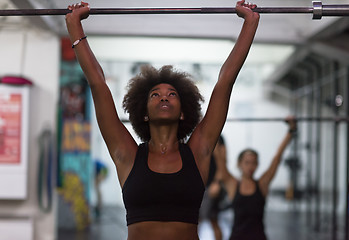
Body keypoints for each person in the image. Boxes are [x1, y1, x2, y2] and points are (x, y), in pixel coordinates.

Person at [65, 1, 259, 239]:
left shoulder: (198, 152)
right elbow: (97, 83)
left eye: (172, 94)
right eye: (155, 94)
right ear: (144, 112)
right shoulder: (128, 155)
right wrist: (75, 26)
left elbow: (225, 81)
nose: (164, 97)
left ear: (183, 112)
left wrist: (250, 23)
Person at [213, 117, 297, 240]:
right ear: (239, 164)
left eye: (254, 163)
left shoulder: (262, 183)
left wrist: (291, 130)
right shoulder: (232, 184)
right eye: (247, 162)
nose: (250, 166)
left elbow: (277, 158)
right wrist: (212, 123)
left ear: (257, 165)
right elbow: (217, 156)